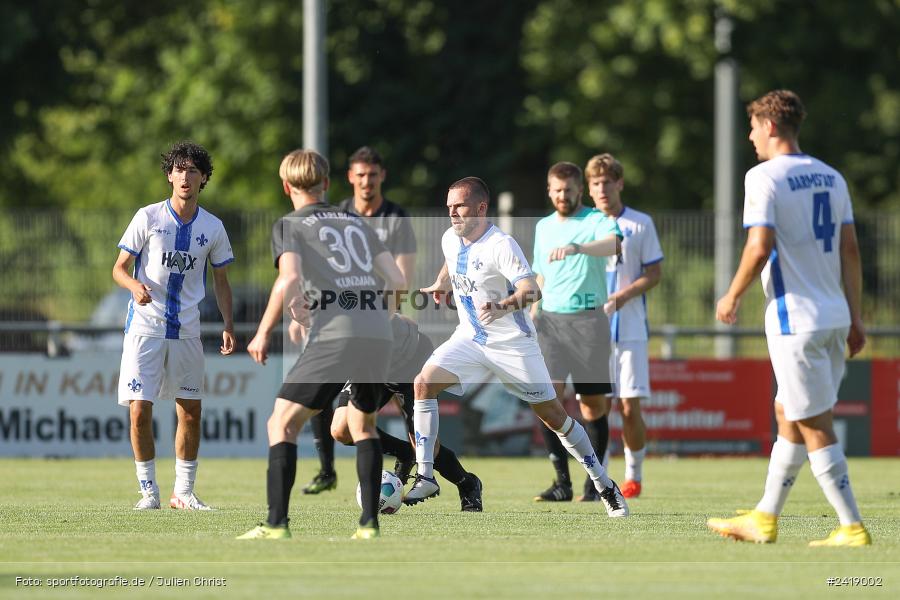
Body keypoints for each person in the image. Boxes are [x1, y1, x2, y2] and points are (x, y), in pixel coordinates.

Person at [404, 176, 629, 517]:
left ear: (481, 208)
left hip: (513, 346)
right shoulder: (451, 236)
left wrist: (502, 306)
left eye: (459, 206)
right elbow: (452, 260)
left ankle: (603, 484)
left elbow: (531, 290)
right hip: (471, 338)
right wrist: (441, 282)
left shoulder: (501, 244)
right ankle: (425, 474)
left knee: (555, 417)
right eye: (449, 207)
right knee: (423, 383)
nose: (452, 213)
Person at [708, 90, 870, 546]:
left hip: (794, 318)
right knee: (788, 411)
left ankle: (852, 526)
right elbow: (850, 250)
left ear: (772, 127)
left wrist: (732, 293)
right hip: (833, 315)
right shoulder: (832, 177)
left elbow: (759, 246)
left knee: (814, 420)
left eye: (755, 126)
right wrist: (856, 318)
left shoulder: (764, 177)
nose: (751, 135)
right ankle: (765, 517)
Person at [238, 149, 405, 540]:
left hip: (337, 334)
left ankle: (276, 525)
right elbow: (396, 279)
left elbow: (289, 279)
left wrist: (263, 331)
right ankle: (368, 526)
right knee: (364, 426)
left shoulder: (291, 224)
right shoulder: (357, 222)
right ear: (327, 184)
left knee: (281, 423)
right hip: (378, 331)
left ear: (285, 187)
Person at [112, 141, 235, 511]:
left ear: (203, 179)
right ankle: (148, 492)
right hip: (145, 329)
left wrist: (229, 324)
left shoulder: (213, 227)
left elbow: (222, 281)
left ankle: (183, 493)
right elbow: (118, 269)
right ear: (169, 176)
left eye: (193, 170)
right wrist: (135, 286)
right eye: (179, 169)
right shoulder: (147, 217)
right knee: (139, 409)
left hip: (187, 331)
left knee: (190, 411)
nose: (185, 176)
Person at [302, 146, 417, 496]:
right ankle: (327, 471)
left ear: (382, 176)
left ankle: (424, 462)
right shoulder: (338, 216)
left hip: (378, 328)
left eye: (373, 175)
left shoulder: (396, 218)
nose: (366, 181)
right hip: (341, 323)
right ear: (350, 177)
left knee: (361, 421)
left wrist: (385, 316)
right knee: (323, 401)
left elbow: (402, 278)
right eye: (360, 175)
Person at [529, 161, 621, 503]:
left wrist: (578, 248)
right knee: (545, 398)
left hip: (588, 322)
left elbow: (614, 245)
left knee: (593, 406)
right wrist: (532, 311)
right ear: (550, 191)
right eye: (557, 190)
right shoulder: (543, 227)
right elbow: (540, 274)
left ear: (579, 190)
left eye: (569, 190)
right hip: (550, 324)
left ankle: (595, 484)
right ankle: (561, 483)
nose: (563, 196)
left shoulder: (596, 220)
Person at [329, 313, 483, 512]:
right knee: (341, 429)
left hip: (410, 362)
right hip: (371, 369)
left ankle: (468, 484)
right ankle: (404, 453)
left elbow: (406, 320)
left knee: (424, 445)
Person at [588, 153, 664, 500]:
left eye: (607, 181)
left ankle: (633, 474)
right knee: (596, 406)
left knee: (630, 406)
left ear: (619, 183)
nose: (602, 189)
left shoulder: (640, 223)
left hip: (631, 328)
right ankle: (598, 478)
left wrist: (621, 296)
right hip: (590, 330)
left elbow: (654, 274)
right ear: (588, 189)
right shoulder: (583, 224)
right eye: (595, 183)